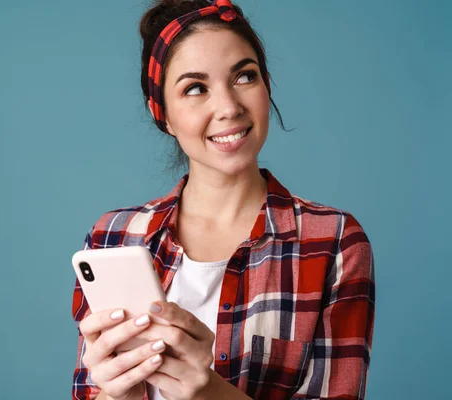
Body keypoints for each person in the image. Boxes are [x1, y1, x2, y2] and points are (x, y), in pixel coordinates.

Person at [71, 0, 376, 399]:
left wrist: (208, 391)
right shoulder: (112, 237)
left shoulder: (334, 242)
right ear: (161, 113)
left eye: (245, 77)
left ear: (266, 85)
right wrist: (115, 393)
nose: (229, 107)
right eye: (195, 88)